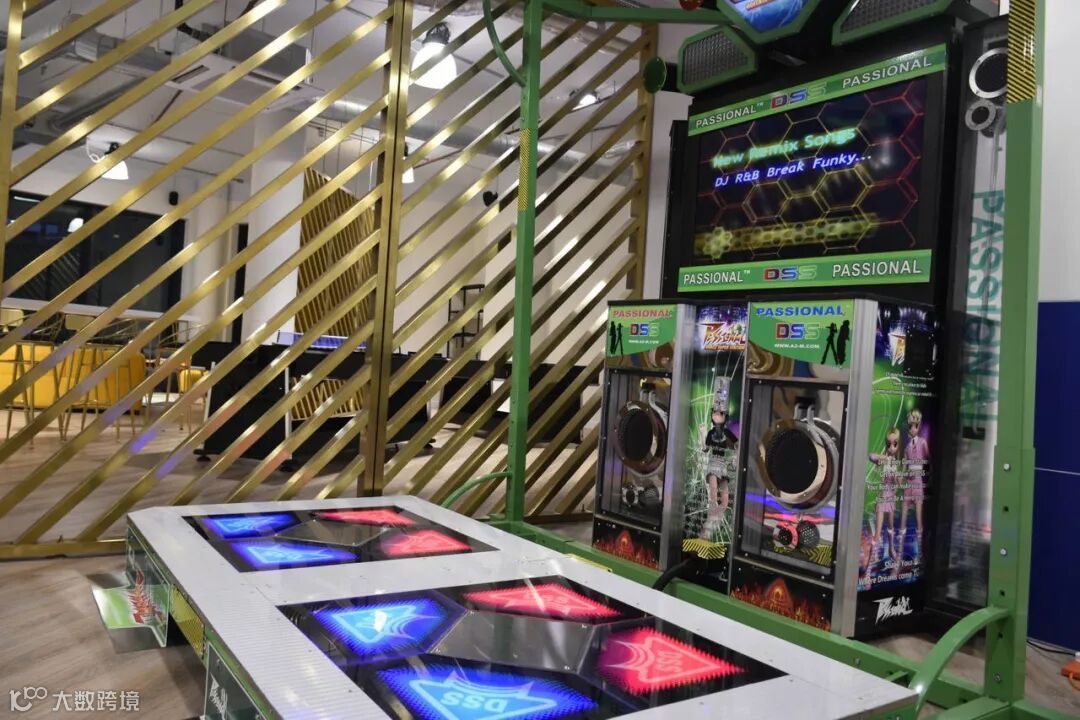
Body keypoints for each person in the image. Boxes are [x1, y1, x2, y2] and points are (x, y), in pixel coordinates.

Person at [867, 427, 902, 580]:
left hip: (891, 499)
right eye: (889, 444)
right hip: (882, 499)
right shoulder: (884, 460)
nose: (891, 447)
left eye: (895, 444)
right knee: (877, 534)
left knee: (890, 527)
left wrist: (897, 475)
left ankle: (892, 550)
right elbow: (871, 456)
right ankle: (869, 569)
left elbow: (899, 484)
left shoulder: (897, 463)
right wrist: (886, 458)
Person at [700, 406, 737, 539]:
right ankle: (706, 531)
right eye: (714, 412)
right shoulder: (711, 432)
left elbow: (737, 445)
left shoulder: (727, 432)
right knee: (713, 499)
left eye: (720, 413)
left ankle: (712, 524)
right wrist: (702, 433)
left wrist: (735, 457)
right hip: (713, 465)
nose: (716, 415)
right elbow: (705, 449)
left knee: (725, 502)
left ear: (724, 416)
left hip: (723, 466)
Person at [900, 408, 929, 562]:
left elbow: (928, 461)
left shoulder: (923, 442)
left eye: (916, 426)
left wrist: (924, 474)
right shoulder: (906, 448)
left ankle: (920, 553)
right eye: (911, 426)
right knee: (903, 515)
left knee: (919, 518)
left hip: (917, 482)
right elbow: (904, 467)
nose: (913, 429)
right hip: (908, 484)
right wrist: (902, 477)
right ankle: (899, 551)